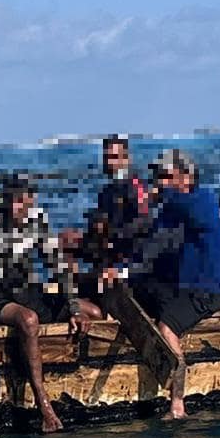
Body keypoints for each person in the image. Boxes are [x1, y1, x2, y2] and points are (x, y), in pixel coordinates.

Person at [100, 149, 220, 419]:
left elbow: (152, 241)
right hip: (184, 282)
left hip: (207, 289)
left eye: (166, 176)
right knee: (138, 286)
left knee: (167, 329)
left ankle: (178, 404)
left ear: (186, 178)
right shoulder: (191, 203)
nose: (160, 182)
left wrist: (122, 268)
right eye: (157, 176)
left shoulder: (192, 202)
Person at [0, 173, 92, 433]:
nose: (16, 207)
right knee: (28, 320)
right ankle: (43, 404)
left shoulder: (37, 221)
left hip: (26, 293)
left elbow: (58, 267)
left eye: (22, 201)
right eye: (12, 200)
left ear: (32, 200)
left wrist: (75, 309)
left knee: (94, 311)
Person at [75, 134, 152, 319]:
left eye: (115, 157)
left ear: (127, 158)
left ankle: (107, 314)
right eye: (107, 157)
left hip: (133, 262)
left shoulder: (136, 187)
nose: (111, 162)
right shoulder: (107, 192)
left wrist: (112, 234)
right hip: (110, 257)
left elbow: (145, 223)